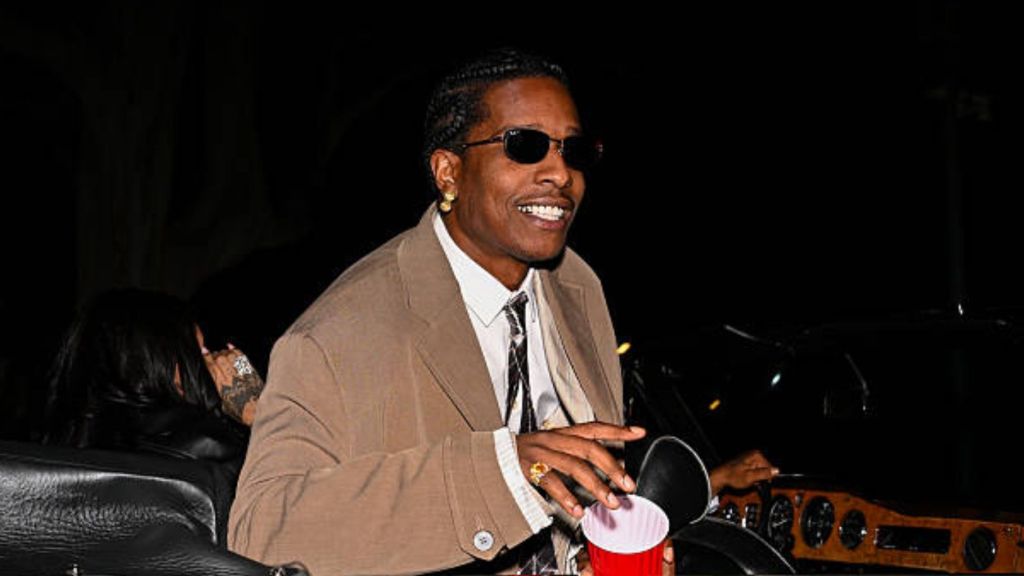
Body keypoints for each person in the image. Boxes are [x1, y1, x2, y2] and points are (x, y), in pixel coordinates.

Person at [229, 48, 659, 575]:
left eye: (574, 150)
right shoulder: (338, 334)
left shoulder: (577, 287)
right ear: (448, 172)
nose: (560, 173)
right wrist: (499, 475)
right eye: (525, 146)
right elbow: (261, 530)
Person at [43, 288, 265, 461]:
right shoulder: (207, 447)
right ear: (156, 363)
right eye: (199, 352)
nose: (214, 361)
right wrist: (260, 409)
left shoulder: (58, 447)